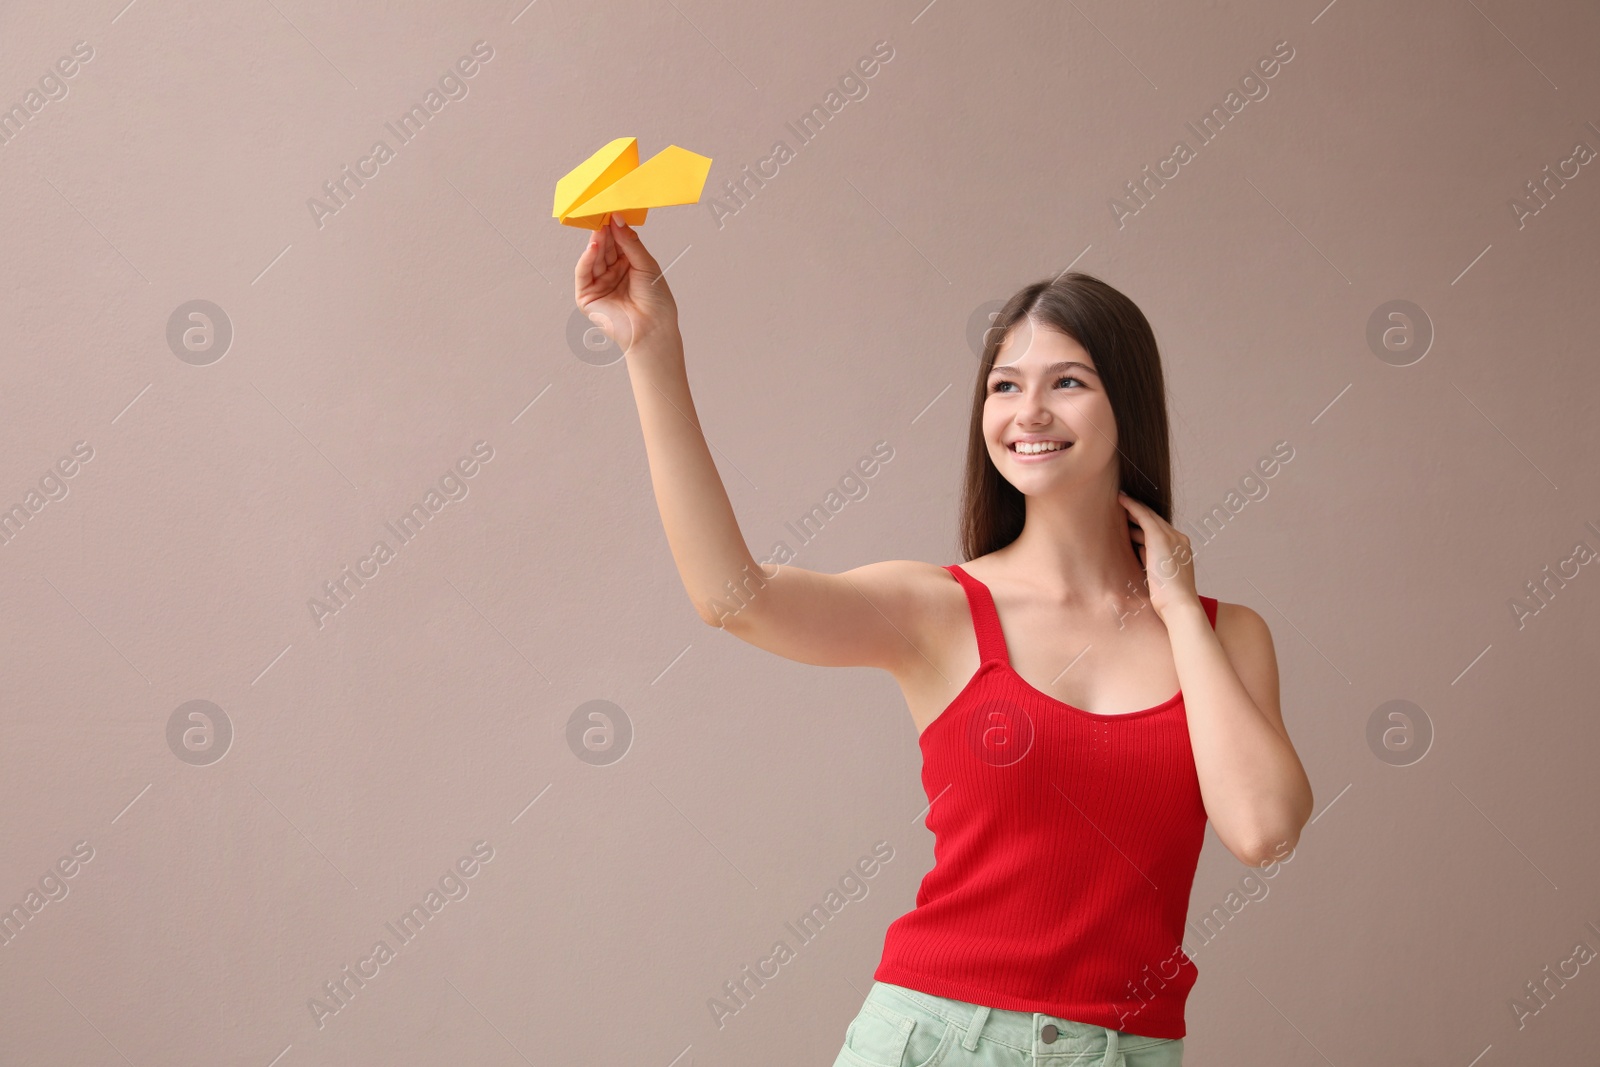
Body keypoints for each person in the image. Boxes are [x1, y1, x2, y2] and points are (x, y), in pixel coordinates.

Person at [574, 211, 1314, 1066]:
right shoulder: (940, 609)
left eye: (1067, 381)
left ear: (1128, 404)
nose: (1028, 410)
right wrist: (651, 348)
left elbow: (1264, 830)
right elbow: (732, 597)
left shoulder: (1226, 636)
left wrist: (1179, 609)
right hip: (936, 1038)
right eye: (1004, 385)